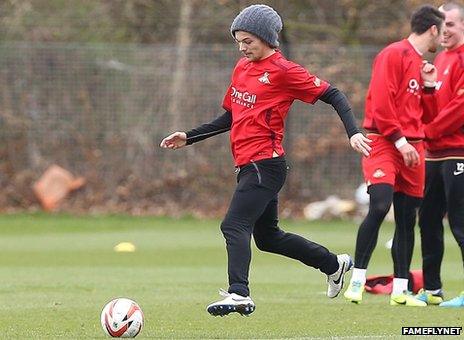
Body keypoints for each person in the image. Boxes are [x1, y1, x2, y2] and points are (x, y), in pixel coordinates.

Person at [160, 4, 371, 316]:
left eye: (248, 41)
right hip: (248, 165)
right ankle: (333, 264)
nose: (242, 47)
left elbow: (335, 94)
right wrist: (189, 136)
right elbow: (230, 117)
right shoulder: (242, 69)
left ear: (268, 38)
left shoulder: (285, 72)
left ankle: (238, 293)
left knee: (233, 224)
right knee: (268, 237)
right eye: (239, 41)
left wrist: (353, 132)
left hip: (266, 165)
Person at [343, 5, 445, 306]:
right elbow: (381, 106)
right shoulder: (393, 54)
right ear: (434, 30)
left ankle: (400, 291)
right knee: (379, 205)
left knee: (405, 218)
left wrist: (429, 87)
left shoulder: (420, 63)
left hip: (414, 147)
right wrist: (400, 141)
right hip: (386, 142)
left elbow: (429, 116)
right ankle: (357, 281)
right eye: (441, 32)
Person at [416, 2, 464, 308]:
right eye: (440, 24)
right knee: (428, 220)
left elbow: (459, 109)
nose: (444, 30)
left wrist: (427, 131)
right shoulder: (440, 59)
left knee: (460, 223)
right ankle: (432, 289)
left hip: (458, 153)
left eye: (450, 24)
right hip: (433, 155)